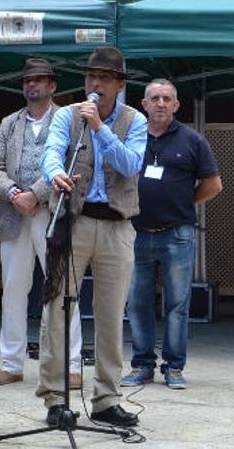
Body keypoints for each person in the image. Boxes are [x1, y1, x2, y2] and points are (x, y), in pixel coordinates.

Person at [38, 46, 147, 427]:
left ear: (119, 84)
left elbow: (131, 165)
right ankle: (55, 398)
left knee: (111, 314)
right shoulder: (67, 116)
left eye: (103, 78)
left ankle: (106, 398)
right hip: (73, 221)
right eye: (90, 77)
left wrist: (100, 130)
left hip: (117, 226)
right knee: (57, 309)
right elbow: (51, 151)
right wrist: (55, 173)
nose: (94, 84)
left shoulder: (135, 120)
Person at [0, 58, 84, 388]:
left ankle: (70, 365)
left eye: (40, 80)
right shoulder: (9, 123)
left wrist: (36, 195)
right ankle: (11, 363)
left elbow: (71, 164)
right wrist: (15, 194)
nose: (32, 85)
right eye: (28, 80)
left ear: (52, 86)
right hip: (14, 216)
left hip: (52, 213)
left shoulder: (68, 120)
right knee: (13, 290)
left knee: (61, 289)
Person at [119, 79, 222, 390]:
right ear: (144, 104)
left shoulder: (193, 140)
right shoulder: (130, 138)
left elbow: (213, 185)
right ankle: (142, 366)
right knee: (137, 303)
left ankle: (174, 367)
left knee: (177, 304)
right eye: (155, 98)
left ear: (177, 105)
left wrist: (183, 202)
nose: (161, 103)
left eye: (167, 99)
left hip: (177, 233)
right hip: (135, 232)